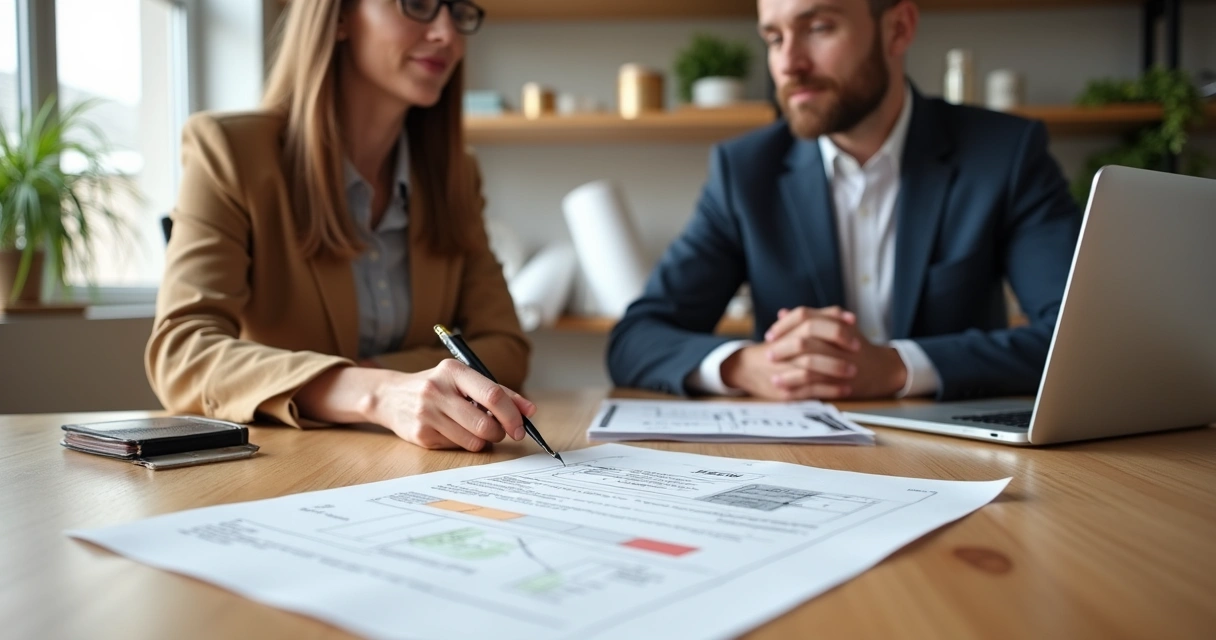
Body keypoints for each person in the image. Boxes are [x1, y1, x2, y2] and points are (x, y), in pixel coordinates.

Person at [607, 0, 1081, 402]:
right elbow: (635, 340)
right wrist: (747, 366)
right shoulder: (745, 171)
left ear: (898, 29)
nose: (789, 64)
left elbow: (1076, 340)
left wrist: (899, 367)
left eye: (818, 28)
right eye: (774, 38)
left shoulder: (1005, 155)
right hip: (798, 470)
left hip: (964, 464)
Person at [147, 0, 533, 452]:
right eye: (419, 4)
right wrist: (373, 391)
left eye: (459, 11)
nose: (448, 34)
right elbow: (182, 352)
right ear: (341, 16)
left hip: (415, 466)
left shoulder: (456, 176)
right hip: (281, 467)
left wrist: (380, 379)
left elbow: (506, 348)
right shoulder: (229, 152)